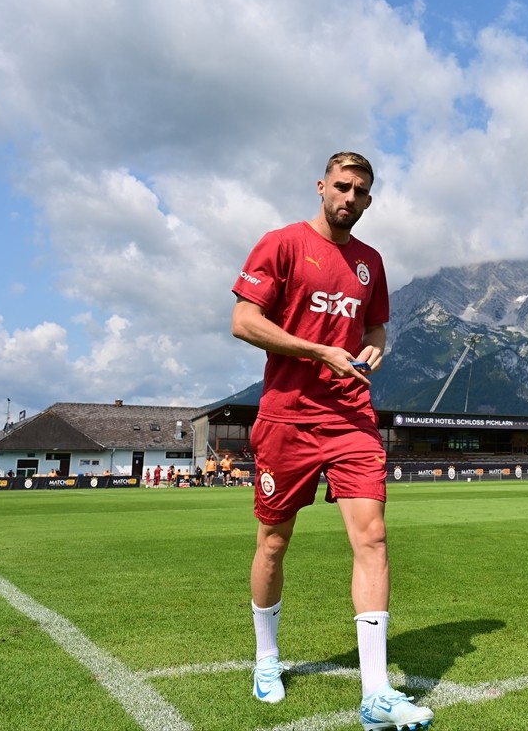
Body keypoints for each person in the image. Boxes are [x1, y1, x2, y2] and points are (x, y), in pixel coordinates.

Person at [231, 151, 433, 730]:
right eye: (342, 186)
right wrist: (318, 350)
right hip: (287, 417)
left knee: (372, 537)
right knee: (274, 542)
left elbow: (375, 326)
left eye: (361, 191)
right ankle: (267, 658)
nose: (350, 198)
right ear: (321, 186)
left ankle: (376, 693)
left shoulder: (371, 263)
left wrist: (375, 347)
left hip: (351, 418)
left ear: (370, 200)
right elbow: (244, 322)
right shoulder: (282, 244)